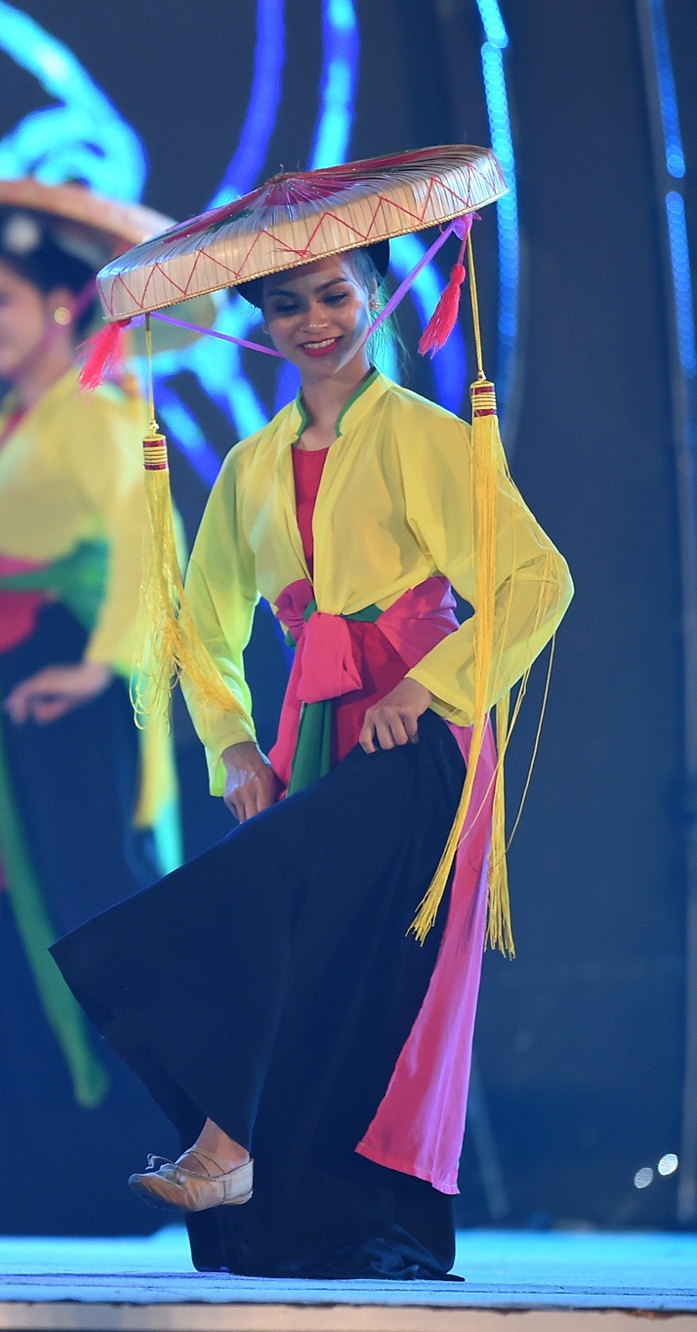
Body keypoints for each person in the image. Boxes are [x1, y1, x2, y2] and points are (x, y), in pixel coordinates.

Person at [53, 237, 571, 1277]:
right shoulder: (250, 464)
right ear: (261, 322)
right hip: (315, 736)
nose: (312, 320)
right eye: (284, 304)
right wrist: (234, 743)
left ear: (377, 296)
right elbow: (197, 622)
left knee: (249, 900)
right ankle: (304, 1213)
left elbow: (534, 580)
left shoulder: (421, 437)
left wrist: (422, 687)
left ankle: (226, 1142)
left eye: (333, 293)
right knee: (323, 971)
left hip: (417, 739)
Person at [0, 199, 178, 1235]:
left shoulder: (101, 414)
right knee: (2, 910)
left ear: (64, 305)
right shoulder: (6, 428)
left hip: (61, 677)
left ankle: (131, 1155)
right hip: (2, 688)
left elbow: (141, 542)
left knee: (87, 901)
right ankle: (16, 1175)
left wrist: (99, 668)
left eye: (3, 302)